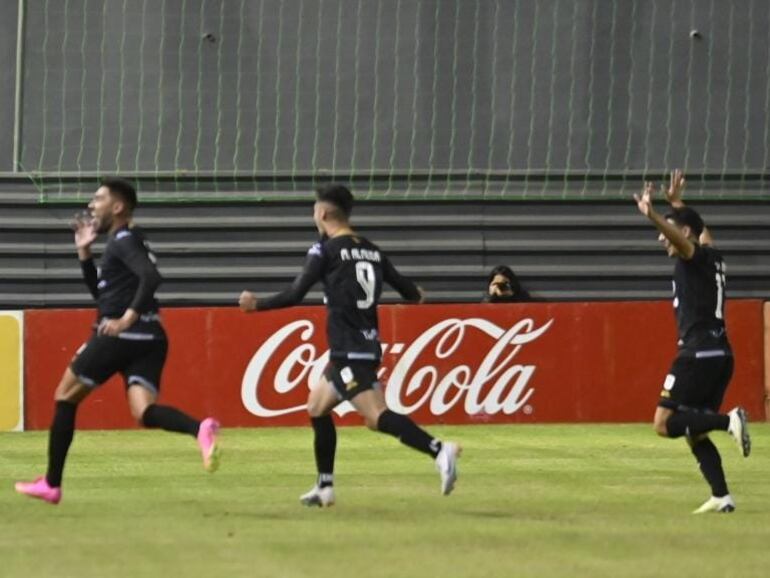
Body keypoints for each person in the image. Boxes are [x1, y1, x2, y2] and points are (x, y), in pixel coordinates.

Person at [239, 184, 460, 507]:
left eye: (315, 209)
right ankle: (324, 486)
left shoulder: (323, 252)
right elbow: (413, 294)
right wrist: (418, 293)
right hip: (361, 345)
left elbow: (296, 293)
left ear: (323, 213)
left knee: (376, 416)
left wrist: (255, 304)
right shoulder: (372, 249)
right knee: (317, 407)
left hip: (349, 349)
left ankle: (440, 450)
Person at [15, 178, 221, 505]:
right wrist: (84, 253)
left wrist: (127, 317)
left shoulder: (122, 240)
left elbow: (151, 279)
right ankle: (200, 429)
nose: (92, 205)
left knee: (64, 395)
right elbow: (103, 294)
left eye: (98, 199)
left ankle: (51, 484)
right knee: (143, 412)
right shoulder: (130, 239)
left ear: (118, 206)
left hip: (120, 334)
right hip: (152, 338)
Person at [634, 172, 749, 514]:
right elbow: (699, 231)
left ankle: (729, 421)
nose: (661, 238)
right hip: (721, 354)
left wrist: (653, 213)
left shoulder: (692, 255)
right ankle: (722, 496)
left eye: (667, 230)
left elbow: (685, 238)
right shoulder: (713, 255)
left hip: (697, 351)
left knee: (663, 423)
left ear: (683, 234)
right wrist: (677, 205)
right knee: (693, 430)